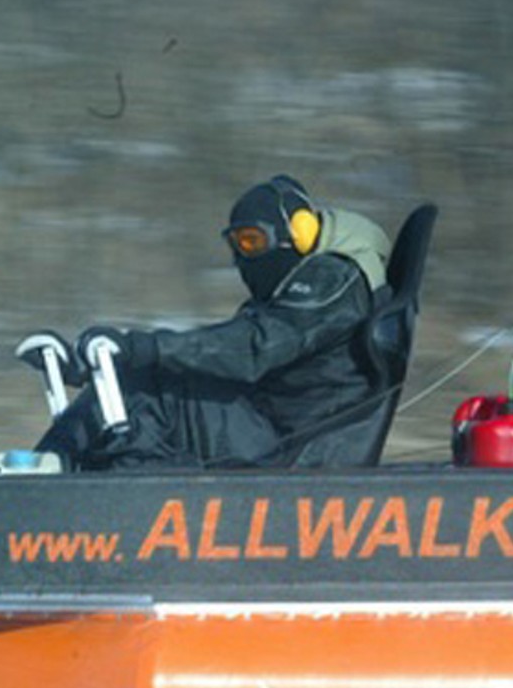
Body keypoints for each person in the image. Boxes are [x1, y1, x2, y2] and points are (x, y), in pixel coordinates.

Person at [31, 175, 391, 471]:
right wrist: (99, 370)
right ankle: (51, 467)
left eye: (252, 240)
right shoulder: (297, 284)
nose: (243, 257)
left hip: (290, 444)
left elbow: (254, 348)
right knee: (149, 381)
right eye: (236, 244)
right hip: (266, 422)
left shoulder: (334, 281)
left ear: (300, 231)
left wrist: (142, 349)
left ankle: (99, 496)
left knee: (153, 383)